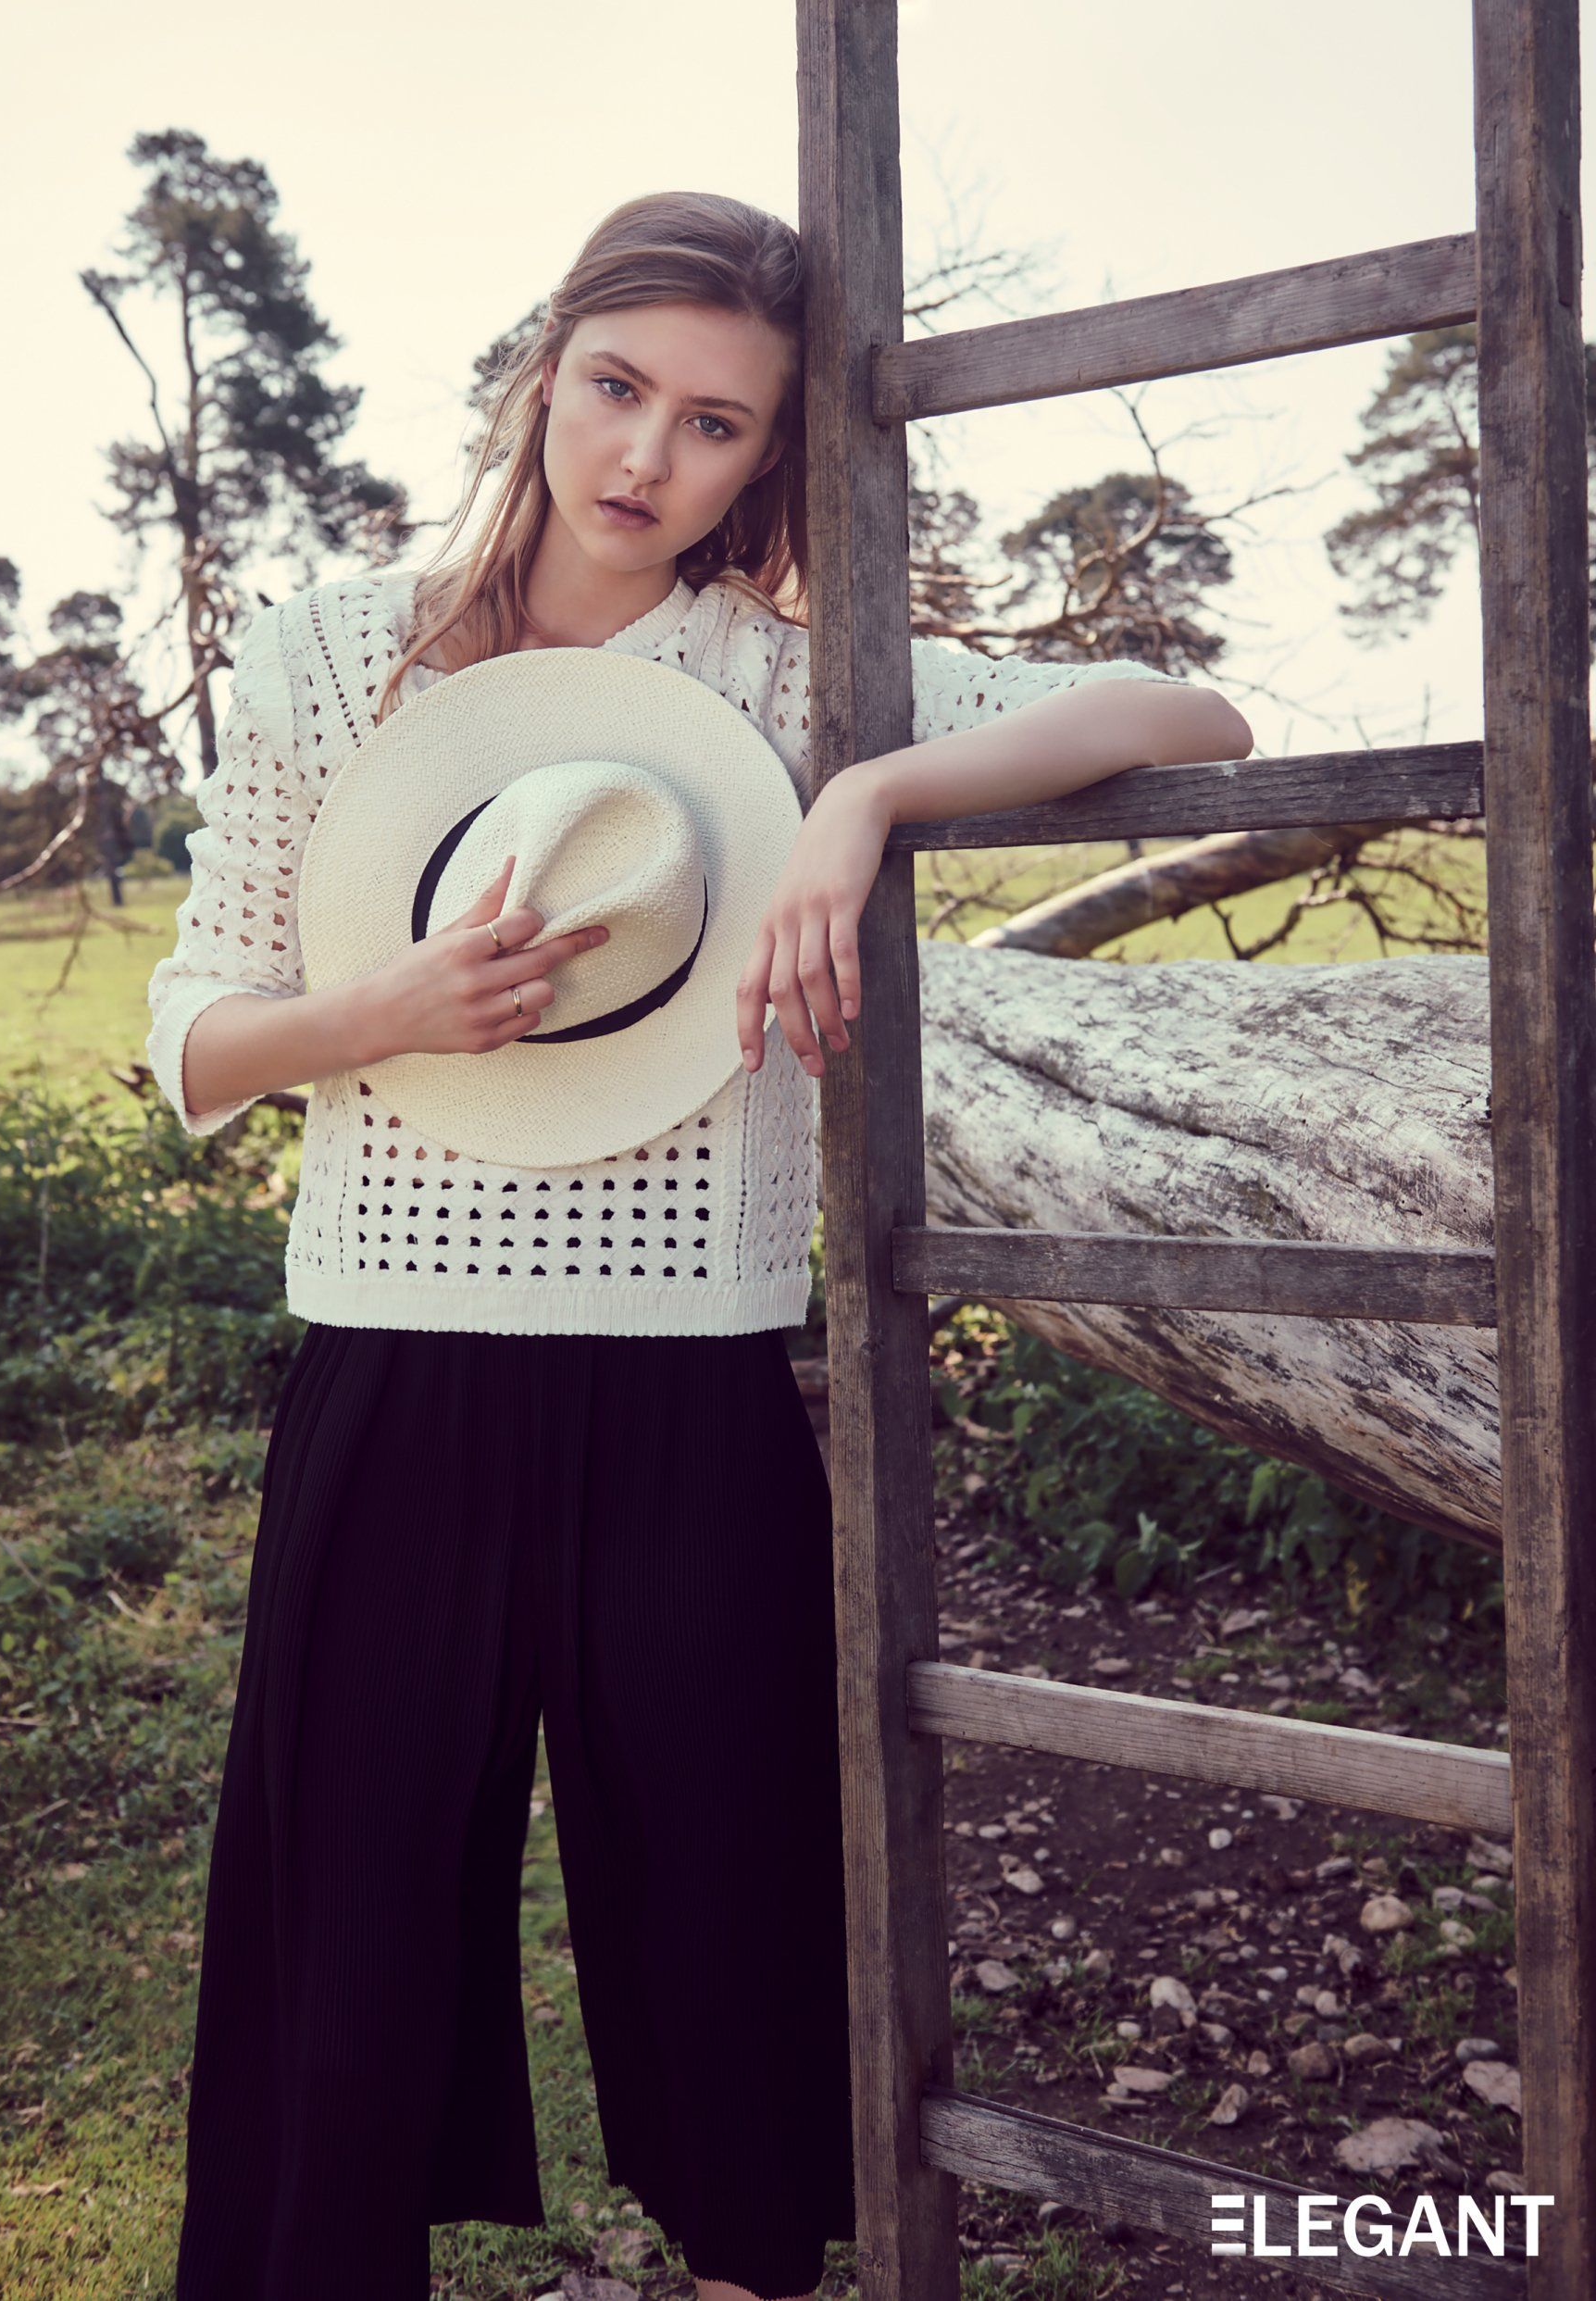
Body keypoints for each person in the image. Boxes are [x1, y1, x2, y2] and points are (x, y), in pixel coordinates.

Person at [145, 189, 1253, 2301]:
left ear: (773, 455)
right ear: (545, 373)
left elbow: (1179, 712)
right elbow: (189, 1028)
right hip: (391, 1373)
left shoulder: (781, 678)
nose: (649, 456)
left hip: (694, 1386)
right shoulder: (322, 653)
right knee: (344, 1942)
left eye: (720, 425)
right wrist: (377, 1016)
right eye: (620, 389)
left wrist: (860, 796)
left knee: (734, 1923)